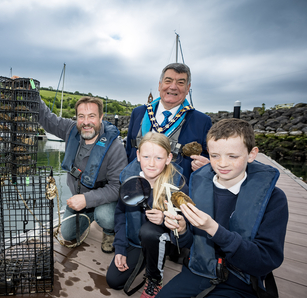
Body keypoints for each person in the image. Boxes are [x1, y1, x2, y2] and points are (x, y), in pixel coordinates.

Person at [159, 118, 289, 297]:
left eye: (232, 156)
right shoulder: (195, 186)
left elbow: (265, 260)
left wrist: (214, 230)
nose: (222, 163)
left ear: (252, 154)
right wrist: (181, 231)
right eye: (215, 156)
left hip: (240, 280)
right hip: (199, 270)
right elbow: (188, 243)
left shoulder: (274, 199)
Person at [38, 95, 128, 253]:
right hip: (79, 198)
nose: (86, 122)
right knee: (66, 234)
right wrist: (30, 92)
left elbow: (117, 188)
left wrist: (87, 200)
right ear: (77, 118)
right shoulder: (70, 129)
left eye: (92, 116)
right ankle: (90, 215)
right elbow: (45, 118)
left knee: (106, 216)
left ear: (100, 118)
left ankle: (109, 231)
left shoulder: (115, 147)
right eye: (81, 116)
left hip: (105, 200)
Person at [106, 132, 188, 298]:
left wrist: (165, 220)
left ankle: (154, 278)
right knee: (114, 281)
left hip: (165, 240)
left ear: (168, 158)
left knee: (150, 231)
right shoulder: (129, 180)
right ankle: (145, 258)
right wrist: (120, 248)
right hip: (136, 241)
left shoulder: (177, 184)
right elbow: (120, 214)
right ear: (138, 156)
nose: (151, 163)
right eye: (146, 156)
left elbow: (186, 224)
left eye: (158, 158)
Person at [125, 63, 212, 183]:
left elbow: (211, 158)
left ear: (188, 88)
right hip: (136, 188)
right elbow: (129, 150)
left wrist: (207, 165)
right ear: (160, 85)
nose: (173, 87)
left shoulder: (202, 121)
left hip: (176, 193)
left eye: (180, 83)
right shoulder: (138, 113)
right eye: (168, 81)